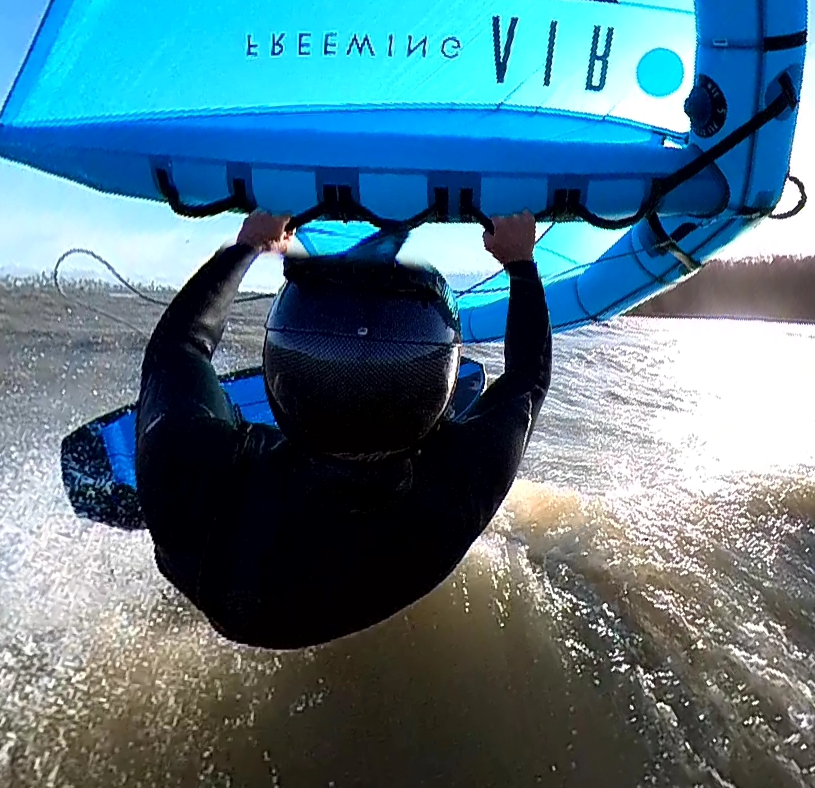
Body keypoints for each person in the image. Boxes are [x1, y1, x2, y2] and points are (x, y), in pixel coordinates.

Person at [134, 209, 550, 649]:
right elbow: (528, 381)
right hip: (333, 605)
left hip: (207, 557)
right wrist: (520, 262)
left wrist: (250, 243)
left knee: (180, 425)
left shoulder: (184, 474)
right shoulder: (453, 500)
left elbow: (179, 347)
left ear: (282, 376)